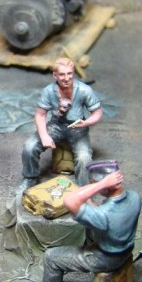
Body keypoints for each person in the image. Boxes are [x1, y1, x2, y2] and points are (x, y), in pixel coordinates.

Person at [23, 159, 142, 282]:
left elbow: (70, 201)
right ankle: (87, 244)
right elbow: (104, 216)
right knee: (88, 227)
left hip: (105, 258)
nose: (93, 185)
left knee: (51, 257)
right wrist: (90, 197)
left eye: (94, 183)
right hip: (125, 248)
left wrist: (101, 184)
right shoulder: (135, 197)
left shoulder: (103, 215)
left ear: (106, 185)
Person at [21, 57, 102, 189]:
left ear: (73, 73)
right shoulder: (48, 91)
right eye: (62, 74)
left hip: (77, 128)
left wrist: (86, 122)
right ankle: (30, 178)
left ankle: (83, 188)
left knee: (84, 157)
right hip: (56, 125)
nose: (66, 78)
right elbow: (40, 114)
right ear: (55, 75)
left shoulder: (84, 90)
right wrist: (44, 136)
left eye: (69, 73)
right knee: (30, 146)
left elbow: (97, 113)